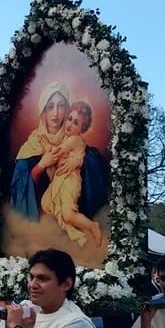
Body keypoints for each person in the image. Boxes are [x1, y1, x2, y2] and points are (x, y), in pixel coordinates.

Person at [9, 83, 108, 223]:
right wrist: (41, 166)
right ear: (43, 110)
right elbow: (17, 191)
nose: (55, 113)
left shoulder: (74, 140)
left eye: (61, 106)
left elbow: (97, 172)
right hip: (42, 226)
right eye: (50, 107)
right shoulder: (32, 146)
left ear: (67, 108)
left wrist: (81, 161)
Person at [41, 100, 103, 247]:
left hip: (70, 181)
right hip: (59, 179)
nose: (69, 124)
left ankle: (91, 226)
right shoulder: (66, 138)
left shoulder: (75, 140)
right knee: (46, 204)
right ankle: (73, 231)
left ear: (82, 129)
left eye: (75, 123)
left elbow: (56, 153)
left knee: (68, 214)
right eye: (69, 119)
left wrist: (44, 144)